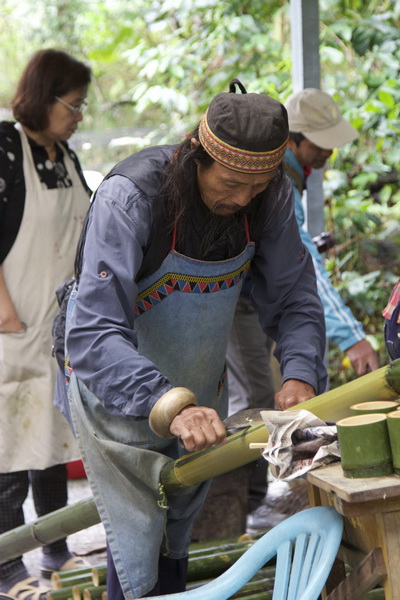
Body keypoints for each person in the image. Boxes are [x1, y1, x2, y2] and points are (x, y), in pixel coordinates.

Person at [57, 79, 327, 599]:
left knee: (176, 538)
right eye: (231, 182)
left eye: (257, 186)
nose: (243, 198)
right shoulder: (131, 196)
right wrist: (167, 403)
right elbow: (92, 332)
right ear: (195, 156)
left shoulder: (270, 196)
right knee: (133, 540)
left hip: (199, 390)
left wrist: (300, 373)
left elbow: (294, 297)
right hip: (113, 385)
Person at [227, 88, 379, 530]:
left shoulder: (291, 177)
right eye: (320, 142)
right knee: (254, 399)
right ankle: (247, 509)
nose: (329, 151)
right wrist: (352, 336)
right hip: (238, 303)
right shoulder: (275, 180)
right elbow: (304, 273)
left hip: (258, 299)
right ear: (292, 140)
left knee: (276, 387)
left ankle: (254, 503)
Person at [0, 49, 92, 599]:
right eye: (73, 105)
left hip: (60, 326)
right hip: (12, 324)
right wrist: (3, 309)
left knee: (54, 437)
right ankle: (7, 561)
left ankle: (56, 546)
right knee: (10, 446)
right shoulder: (5, 148)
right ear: (44, 97)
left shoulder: (65, 155)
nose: (79, 116)